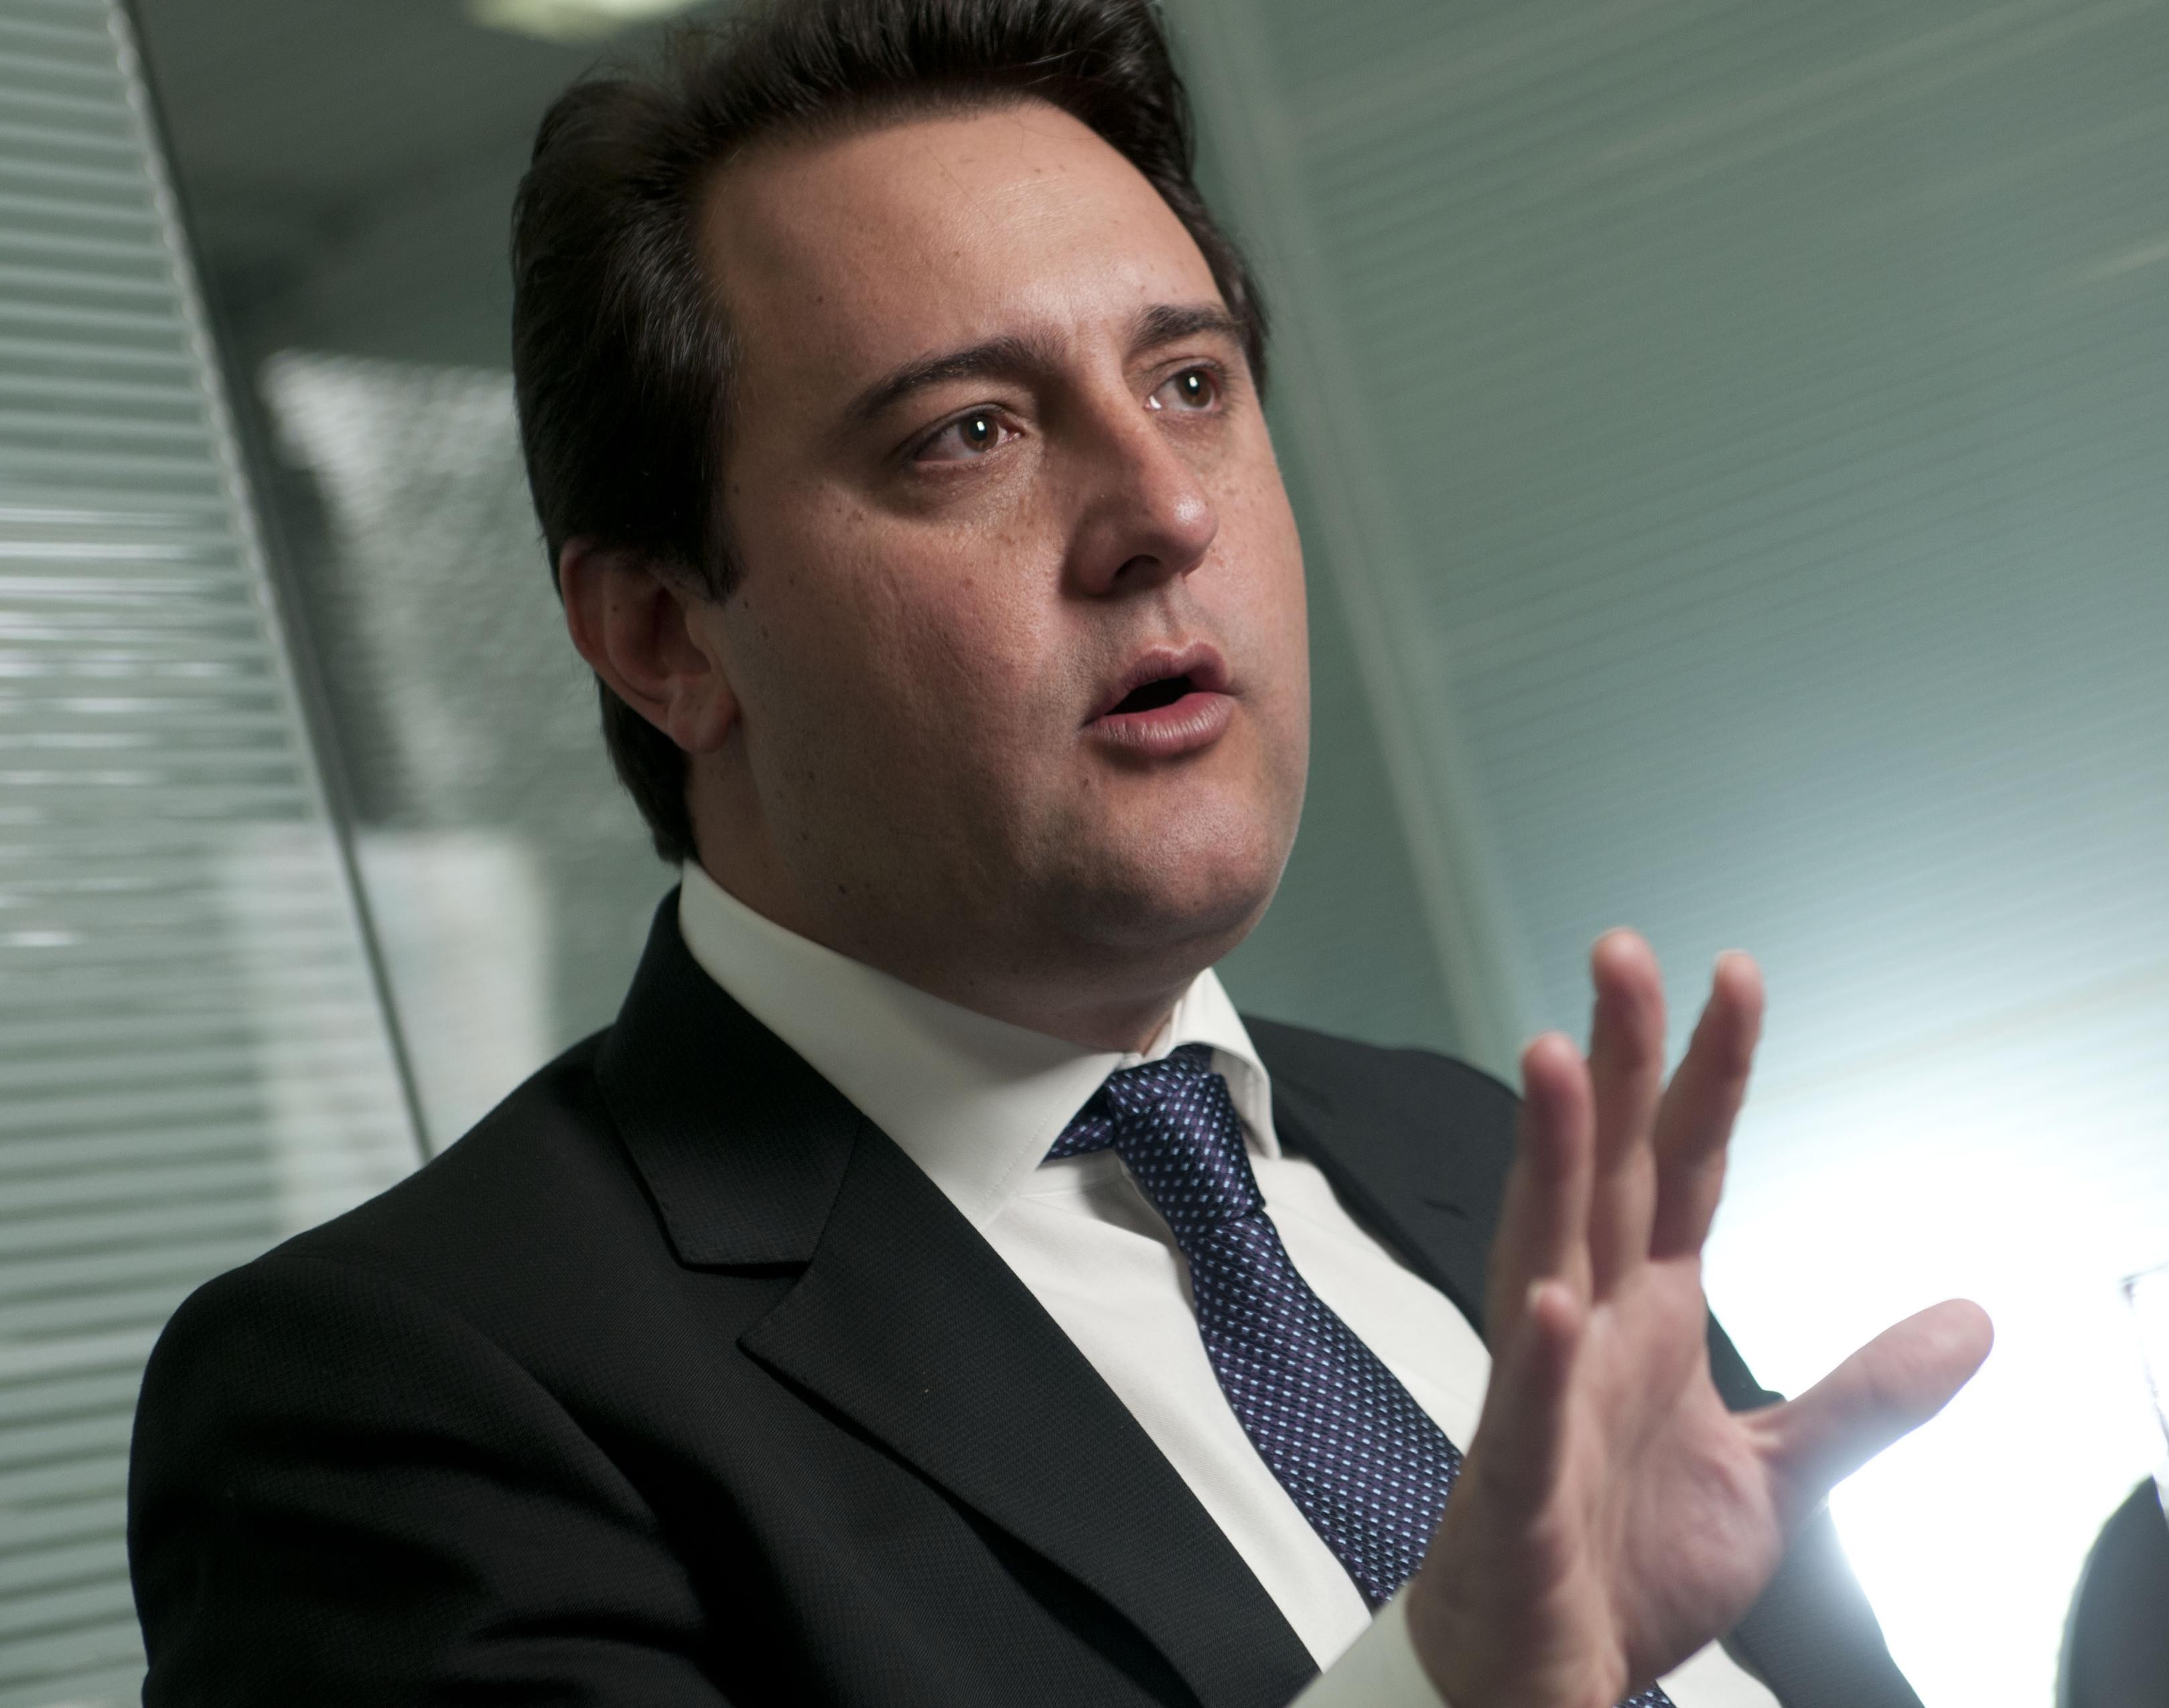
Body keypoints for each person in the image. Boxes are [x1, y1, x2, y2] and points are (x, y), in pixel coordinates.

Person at [125, 1, 1991, 1703]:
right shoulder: (403, 1405)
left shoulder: (1482, 1167)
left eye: (1190, 383)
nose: (1164, 510)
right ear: (664, 637)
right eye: (971, 433)